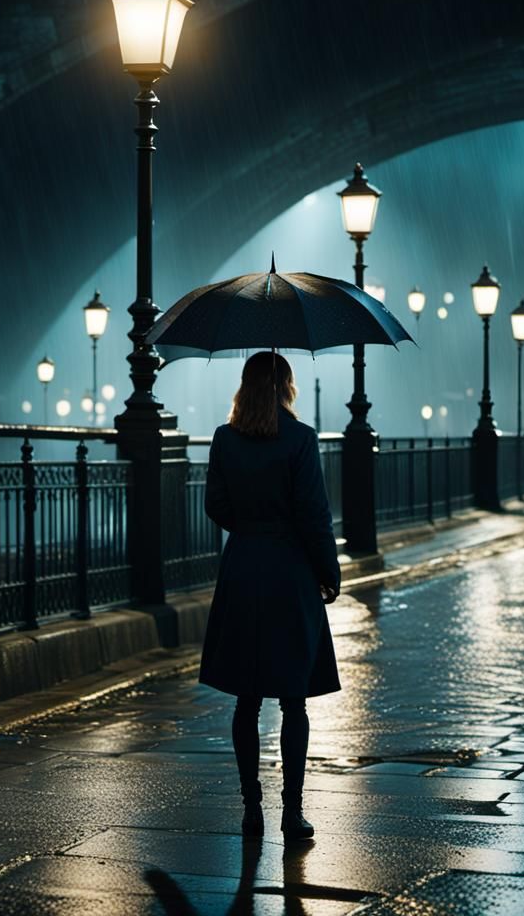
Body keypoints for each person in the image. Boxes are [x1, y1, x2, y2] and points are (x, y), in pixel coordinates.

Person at [199, 351, 341, 841]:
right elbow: (313, 514)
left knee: (246, 699)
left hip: (243, 570)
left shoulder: (224, 438)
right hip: (290, 572)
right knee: (293, 701)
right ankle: (292, 810)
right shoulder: (300, 439)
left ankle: (250, 807)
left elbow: (214, 503)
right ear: (285, 386)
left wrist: (250, 529)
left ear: (245, 385)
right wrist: (329, 571)